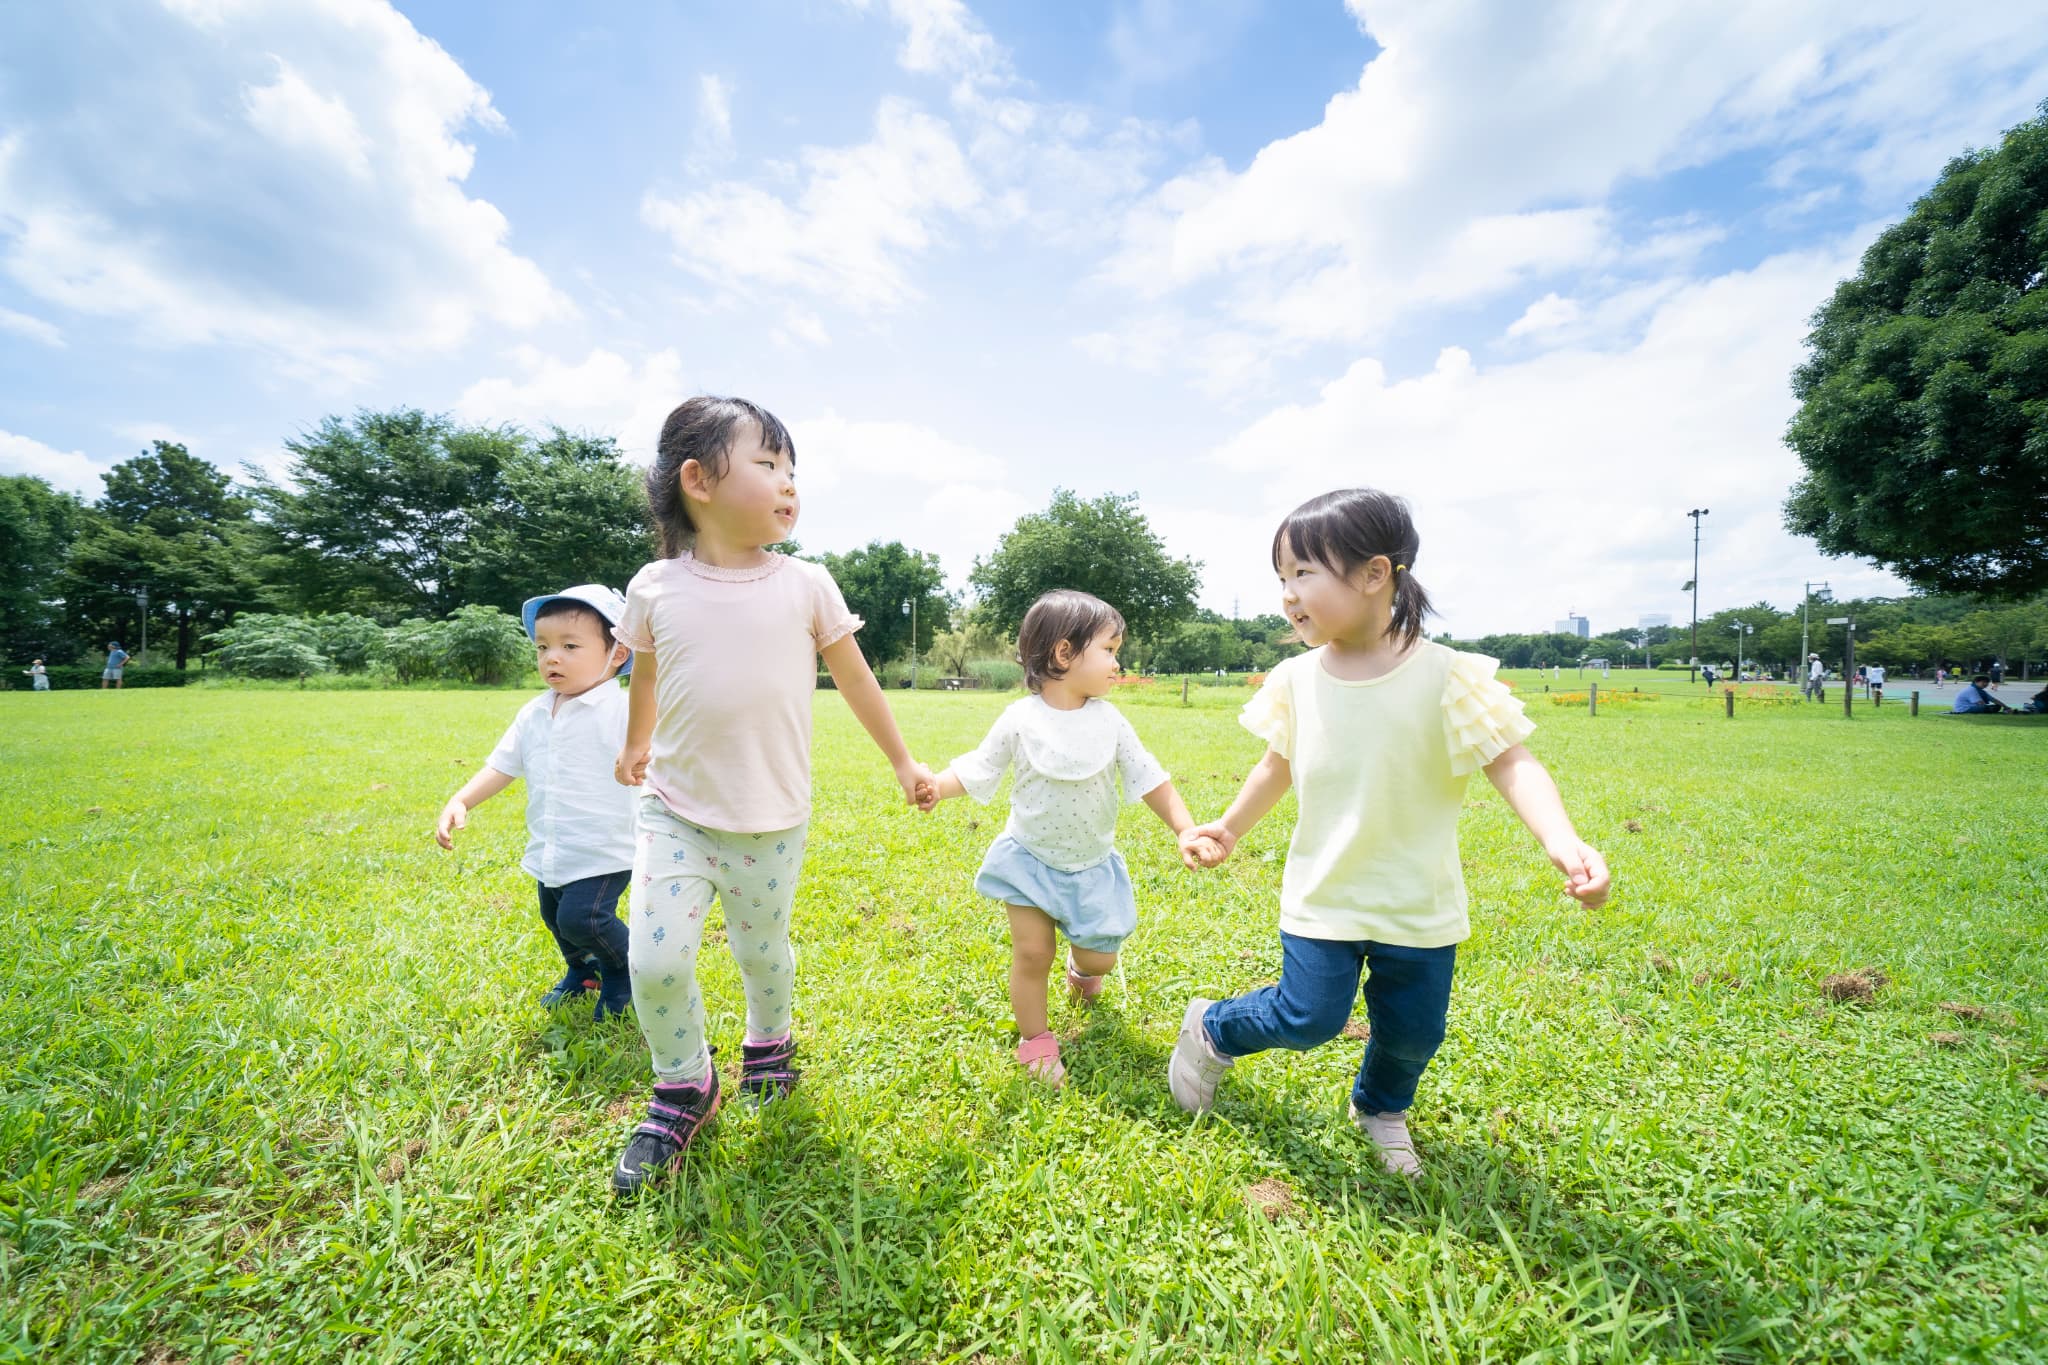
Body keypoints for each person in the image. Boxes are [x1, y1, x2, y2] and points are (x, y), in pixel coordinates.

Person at [1169, 489, 1610, 1177]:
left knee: (1413, 1031)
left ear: (1375, 574)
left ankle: (1380, 1105)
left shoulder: (1450, 677)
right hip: (1326, 890)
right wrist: (1227, 827)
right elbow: (1276, 764)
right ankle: (1214, 1027)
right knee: (1310, 1014)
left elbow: (1512, 760)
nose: (1288, 594)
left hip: (1418, 898)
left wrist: (1564, 841)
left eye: (1303, 574)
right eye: (1281, 578)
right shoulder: (1295, 679)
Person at [607, 395, 931, 1195]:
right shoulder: (654, 587)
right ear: (698, 479)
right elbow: (645, 673)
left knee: (760, 947)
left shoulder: (807, 584)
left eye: (793, 470)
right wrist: (635, 743)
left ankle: (769, 1040)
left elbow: (854, 676)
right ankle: (684, 1084)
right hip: (674, 807)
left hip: (772, 815)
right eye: (768, 464)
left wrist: (901, 760)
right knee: (653, 959)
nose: (788, 483)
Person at [916, 589, 1210, 1086]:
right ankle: (1036, 1043)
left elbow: (1150, 777)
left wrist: (1184, 827)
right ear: (1064, 654)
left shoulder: (1110, 720)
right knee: (1032, 954)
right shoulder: (1020, 718)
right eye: (1110, 650)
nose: (1119, 662)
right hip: (1028, 860)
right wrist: (935, 788)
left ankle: (1082, 967)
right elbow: (978, 769)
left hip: (1091, 863)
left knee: (1101, 956)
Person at [436, 585, 638, 1021]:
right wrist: (461, 800)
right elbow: (503, 765)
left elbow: (662, 754)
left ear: (618, 652)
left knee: (583, 920)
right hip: (551, 846)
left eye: (570, 646)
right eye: (543, 646)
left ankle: (623, 972)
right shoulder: (533, 712)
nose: (552, 657)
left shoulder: (625, 712)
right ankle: (582, 973)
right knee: (555, 917)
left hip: (605, 848)